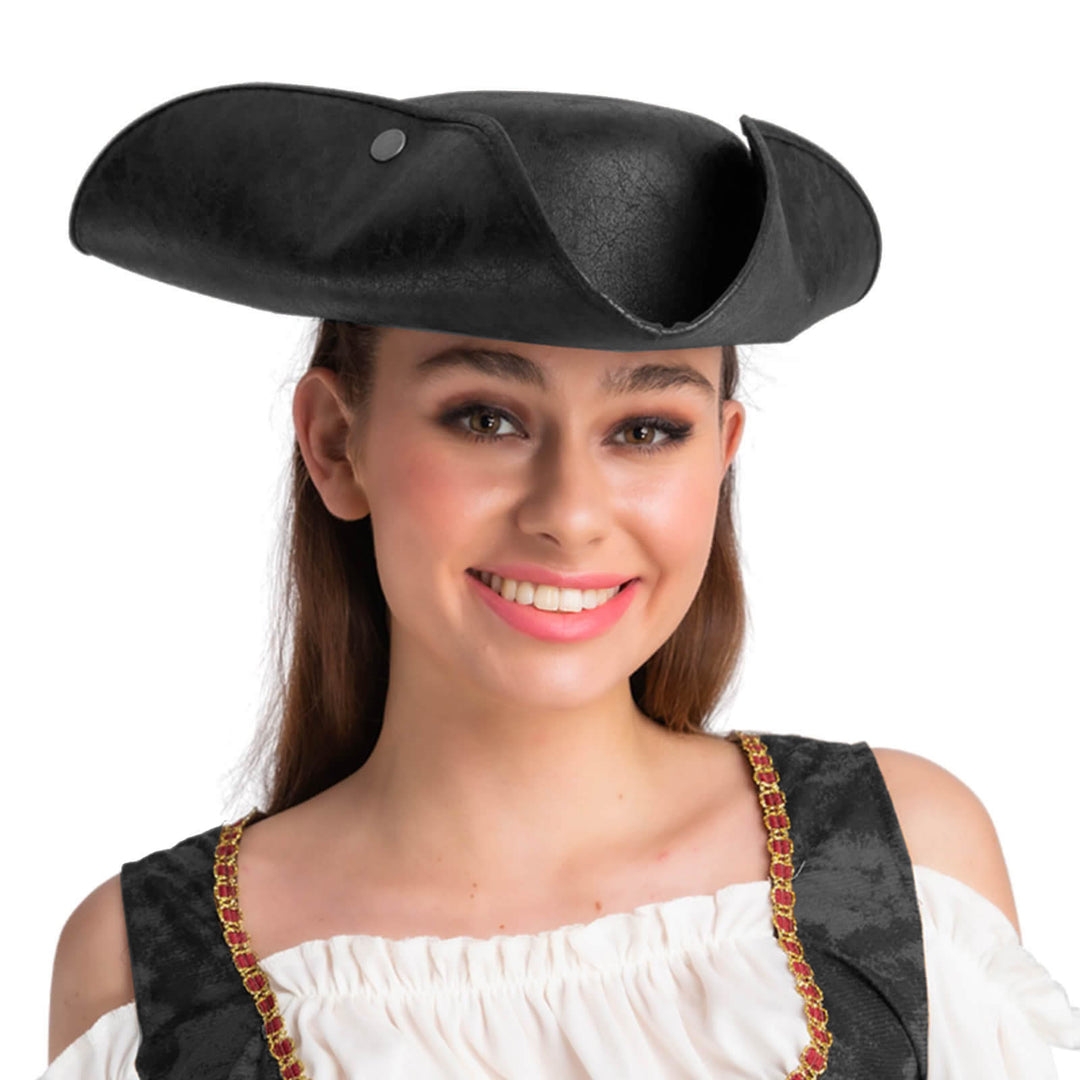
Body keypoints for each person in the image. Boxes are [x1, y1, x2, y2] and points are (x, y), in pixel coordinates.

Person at [43, 82, 1080, 1080]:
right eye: (487, 418)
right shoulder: (150, 971)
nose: (571, 512)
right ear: (334, 446)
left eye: (645, 430)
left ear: (720, 456)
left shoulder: (901, 862)